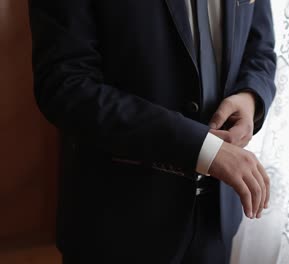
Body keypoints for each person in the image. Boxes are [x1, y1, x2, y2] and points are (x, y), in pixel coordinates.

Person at [28, 0, 276, 263]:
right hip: (118, 227)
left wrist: (251, 97)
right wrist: (201, 149)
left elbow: (260, 48)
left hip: (216, 222)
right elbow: (67, 87)